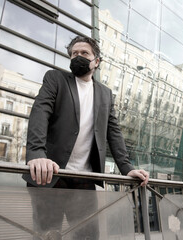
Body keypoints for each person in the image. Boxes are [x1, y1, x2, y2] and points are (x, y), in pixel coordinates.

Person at [22, 36, 149, 238]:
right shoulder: (55, 79)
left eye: (84, 53)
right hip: (50, 175)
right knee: (47, 235)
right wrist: (37, 153)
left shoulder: (105, 94)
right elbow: (40, 112)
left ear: (96, 61)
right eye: (74, 54)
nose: (78, 57)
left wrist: (127, 168)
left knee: (88, 236)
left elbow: (113, 132)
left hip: (85, 179)